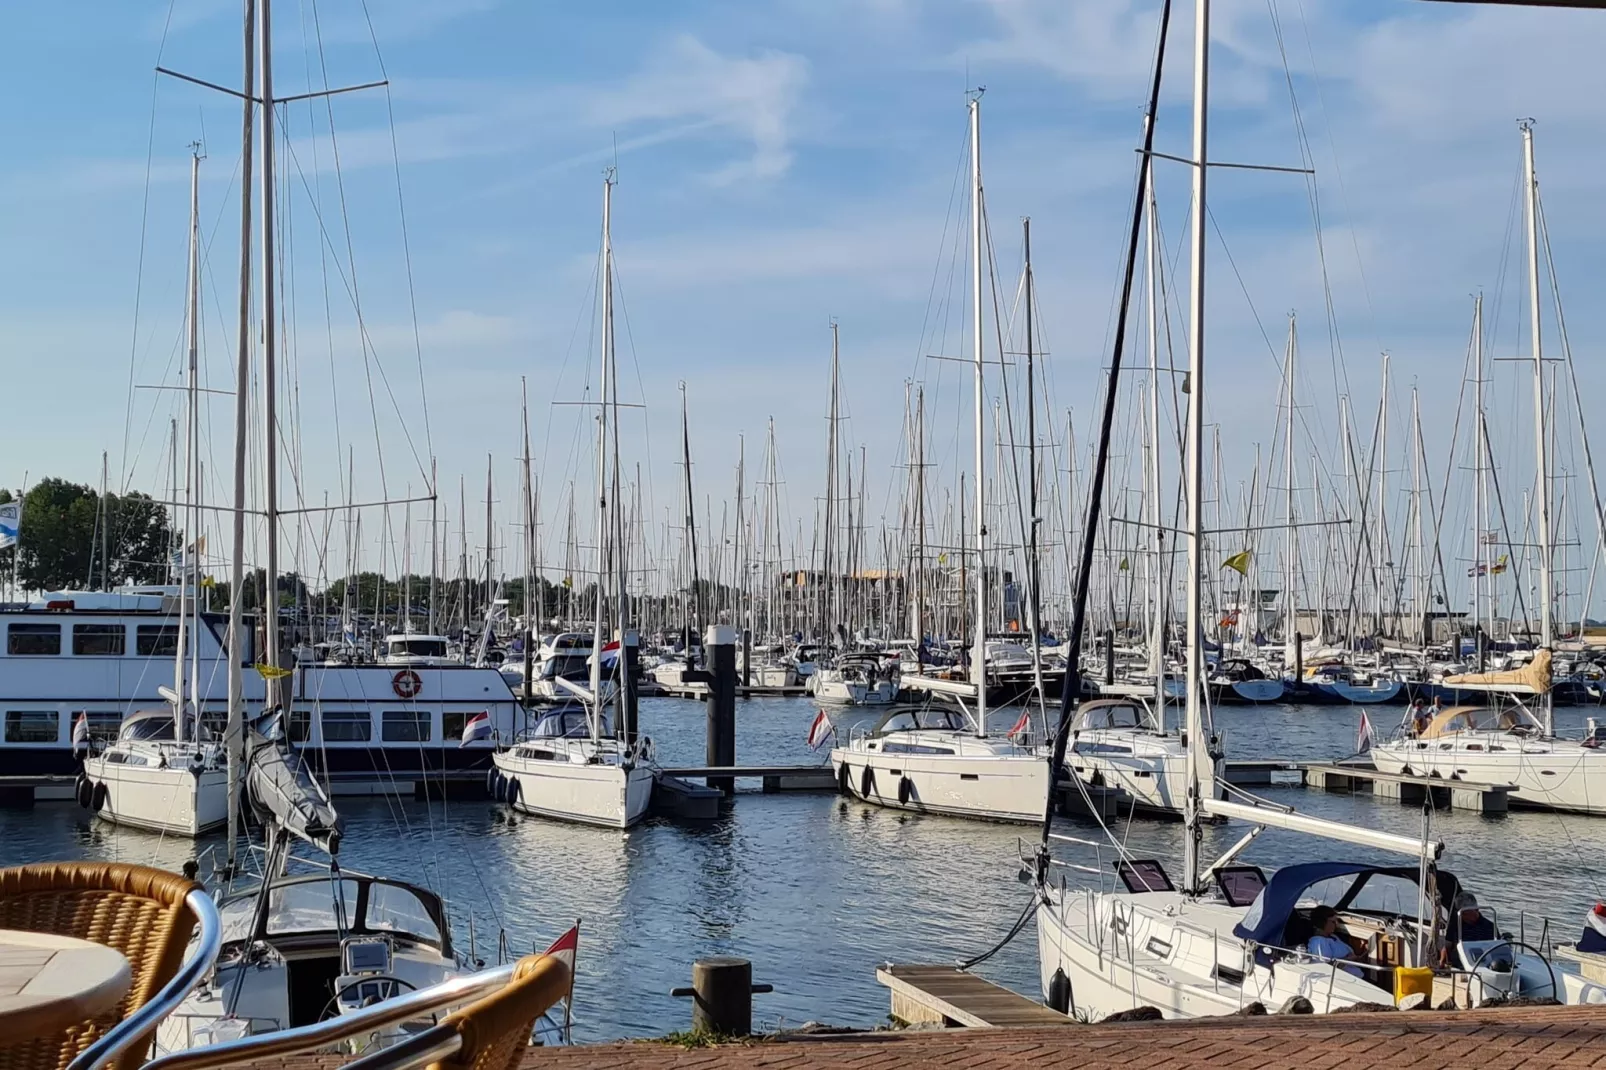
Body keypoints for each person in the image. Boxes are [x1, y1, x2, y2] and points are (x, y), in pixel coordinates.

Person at [1306, 905, 1365, 978]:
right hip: (1346, 981)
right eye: (1333, 921)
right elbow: (1327, 968)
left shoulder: (1333, 937)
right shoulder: (1319, 942)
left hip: (1357, 975)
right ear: (1322, 923)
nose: (1336, 924)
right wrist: (1349, 959)